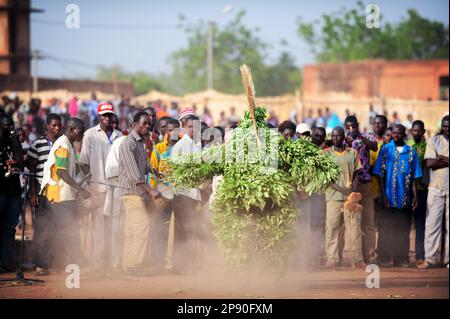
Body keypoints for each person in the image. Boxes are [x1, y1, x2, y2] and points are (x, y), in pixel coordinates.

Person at [40, 118, 91, 269]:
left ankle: (74, 260)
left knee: (67, 229)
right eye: (80, 131)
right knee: (68, 230)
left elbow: (66, 165)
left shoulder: (67, 143)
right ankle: (77, 262)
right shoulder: (63, 145)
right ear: (71, 130)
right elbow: (62, 172)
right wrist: (81, 189)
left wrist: (81, 166)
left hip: (64, 194)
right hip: (60, 195)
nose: (82, 135)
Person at [79, 102, 123, 268]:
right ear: (99, 117)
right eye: (104, 115)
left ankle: (114, 262)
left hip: (116, 188)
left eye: (109, 115)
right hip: (98, 187)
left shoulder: (119, 135)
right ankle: (98, 262)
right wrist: (89, 185)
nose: (107, 118)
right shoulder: (90, 135)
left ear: (113, 116)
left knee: (115, 226)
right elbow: (83, 163)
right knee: (98, 227)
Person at [373, 124, 422, 268]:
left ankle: (402, 258)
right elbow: (380, 175)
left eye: (399, 133)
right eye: (394, 133)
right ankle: (384, 257)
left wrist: (415, 196)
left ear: (404, 134)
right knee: (386, 228)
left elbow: (414, 177)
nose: (396, 135)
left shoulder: (411, 152)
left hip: (404, 198)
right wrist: (383, 195)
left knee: (403, 229)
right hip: (388, 196)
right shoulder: (385, 150)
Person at [119, 111, 159, 273]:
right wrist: (150, 190)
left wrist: (154, 171)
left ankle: (128, 264)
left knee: (131, 230)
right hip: (131, 192)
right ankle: (134, 264)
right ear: (134, 124)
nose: (147, 126)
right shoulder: (129, 144)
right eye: (144, 123)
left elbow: (142, 164)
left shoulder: (140, 143)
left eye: (149, 124)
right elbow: (134, 174)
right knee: (142, 226)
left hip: (135, 192)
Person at [324, 127, 365, 268]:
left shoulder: (352, 153)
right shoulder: (326, 154)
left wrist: (352, 190)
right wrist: (340, 188)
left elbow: (358, 173)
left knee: (354, 228)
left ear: (343, 137)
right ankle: (332, 258)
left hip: (350, 198)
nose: (335, 138)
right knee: (332, 228)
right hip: (333, 196)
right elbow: (324, 177)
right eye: (333, 136)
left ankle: (357, 259)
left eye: (338, 136)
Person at [28, 113, 62, 275]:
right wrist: (33, 194)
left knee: (56, 228)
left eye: (59, 125)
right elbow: (32, 171)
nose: (57, 128)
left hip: (59, 193)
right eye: (54, 125)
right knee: (42, 228)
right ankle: (40, 263)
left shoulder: (63, 143)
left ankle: (51, 262)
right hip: (42, 193)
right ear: (47, 126)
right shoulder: (37, 144)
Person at [170, 114, 203, 274]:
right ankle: (180, 265)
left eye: (196, 127)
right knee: (183, 230)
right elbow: (176, 172)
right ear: (182, 127)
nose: (194, 130)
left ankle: (186, 264)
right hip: (183, 195)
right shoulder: (180, 146)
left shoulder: (197, 144)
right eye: (190, 127)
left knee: (190, 229)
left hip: (193, 194)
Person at [344, 115, 378, 263]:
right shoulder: (342, 138)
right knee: (353, 223)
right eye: (348, 127)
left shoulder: (366, 136)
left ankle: (370, 256)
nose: (351, 129)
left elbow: (374, 146)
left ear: (358, 125)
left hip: (365, 183)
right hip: (349, 186)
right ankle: (357, 257)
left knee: (369, 222)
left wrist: (360, 137)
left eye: (354, 126)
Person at [419, 115, 449, 269]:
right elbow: (430, 162)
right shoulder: (434, 141)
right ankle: (430, 259)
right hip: (435, 187)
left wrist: (443, 159)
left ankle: (447, 260)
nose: (447, 128)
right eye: (444, 126)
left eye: (449, 126)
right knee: (432, 224)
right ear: (441, 126)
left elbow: (436, 161)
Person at [0, 114, 24, 273]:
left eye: (12, 125)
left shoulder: (13, 142)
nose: (10, 128)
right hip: (0, 191)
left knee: (10, 228)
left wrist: (16, 141)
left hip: (14, 191)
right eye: (7, 125)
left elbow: (21, 164)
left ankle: (6, 262)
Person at [406, 120, 428, 266]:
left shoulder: (428, 147)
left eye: (419, 130)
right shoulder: (408, 147)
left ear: (423, 132)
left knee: (420, 225)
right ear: (411, 131)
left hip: (422, 190)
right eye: (414, 130)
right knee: (406, 225)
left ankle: (420, 256)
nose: (417, 133)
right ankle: (404, 256)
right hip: (407, 191)